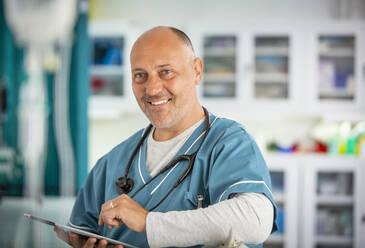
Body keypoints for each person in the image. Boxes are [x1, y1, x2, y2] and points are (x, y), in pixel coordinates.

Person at [55, 26, 277, 248]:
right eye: (140, 75)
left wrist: (149, 223)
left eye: (166, 72)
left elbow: (256, 220)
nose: (152, 89)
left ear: (197, 71)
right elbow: (81, 232)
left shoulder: (229, 143)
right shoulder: (111, 163)